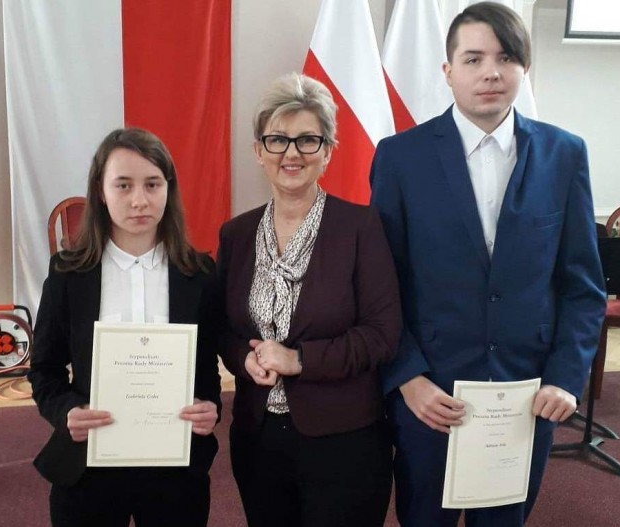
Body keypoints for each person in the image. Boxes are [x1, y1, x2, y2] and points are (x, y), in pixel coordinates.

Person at [370, 3, 606, 526]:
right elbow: (381, 286)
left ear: (524, 68)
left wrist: (566, 378)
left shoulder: (564, 155)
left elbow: (582, 286)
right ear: (448, 71)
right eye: (473, 59)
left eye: (506, 58)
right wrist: (407, 377)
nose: (491, 73)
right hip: (430, 395)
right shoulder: (400, 157)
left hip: (527, 398)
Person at [217, 72, 402, 527]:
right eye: (278, 140)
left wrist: (299, 360)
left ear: (328, 151)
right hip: (257, 436)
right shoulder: (236, 234)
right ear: (258, 150)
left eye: (308, 140)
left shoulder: (361, 228)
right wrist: (244, 358)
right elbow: (223, 326)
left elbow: (382, 335)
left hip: (344, 439)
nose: (292, 153)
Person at [28, 128, 221, 527]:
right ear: (100, 191)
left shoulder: (199, 273)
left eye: (152, 184)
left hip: (174, 465)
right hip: (88, 464)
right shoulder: (69, 273)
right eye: (123, 185)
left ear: (169, 189)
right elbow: (44, 370)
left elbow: (205, 372)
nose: (139, 200)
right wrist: (67, 411)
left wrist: (209, 408)